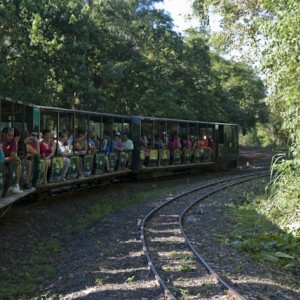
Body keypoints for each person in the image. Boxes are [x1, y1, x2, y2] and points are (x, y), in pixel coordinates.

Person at [1, 127, 23, 194]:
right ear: (3, 134)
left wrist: (2, 160)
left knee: (17, 162)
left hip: (7, 161)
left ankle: (16, 185)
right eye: (9, 135)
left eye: (12, 135)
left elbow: (12, 156)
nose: (11, 137)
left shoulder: (14, 142)